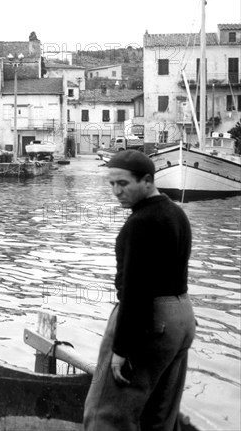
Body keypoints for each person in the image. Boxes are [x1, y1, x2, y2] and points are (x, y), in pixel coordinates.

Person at [84, 150, 196, 431]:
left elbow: (136, 290)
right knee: (160, 418)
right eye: (111, 184)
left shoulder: (141, 223)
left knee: (105, 415)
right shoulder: (175, 212)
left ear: (147, 181)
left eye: (123, 183)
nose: (116, 191)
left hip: (150, 320)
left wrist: (122, 348)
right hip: (181, 318)